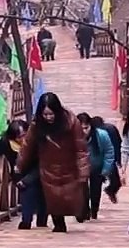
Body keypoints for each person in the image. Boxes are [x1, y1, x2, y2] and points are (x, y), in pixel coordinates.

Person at [16, 92, 90, 233]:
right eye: (45, 114)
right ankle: (59, 224)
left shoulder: (71, 121)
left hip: (69, 165)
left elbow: (81, 148)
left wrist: (83, 170)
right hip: (48, 167)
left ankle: (80, 212)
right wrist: (20, 166)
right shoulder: (37, 125)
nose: (48, 117)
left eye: (51, 114)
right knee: (54, 197)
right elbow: (27, 147)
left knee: (72, 195)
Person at [0, 120, 47, 229]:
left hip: (38, 171)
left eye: (25, 135)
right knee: (26, 192)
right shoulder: (9, 144)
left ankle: (41, 220)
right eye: (19, 137)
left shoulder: (36, 142)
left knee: (42, 194)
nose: (22, 139)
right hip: (20, 174)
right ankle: (26, 220)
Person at [77, 113, 116, 220]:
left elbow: (109, 152)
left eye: (86, 128)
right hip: (80, 169)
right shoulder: (72, 137)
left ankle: (94, 210)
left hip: (96, 167)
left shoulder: (101, 135)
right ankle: (84, 211)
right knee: (82, 191)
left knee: (95, 191)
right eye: (81, 128)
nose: (84, 131)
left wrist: (106, 169)